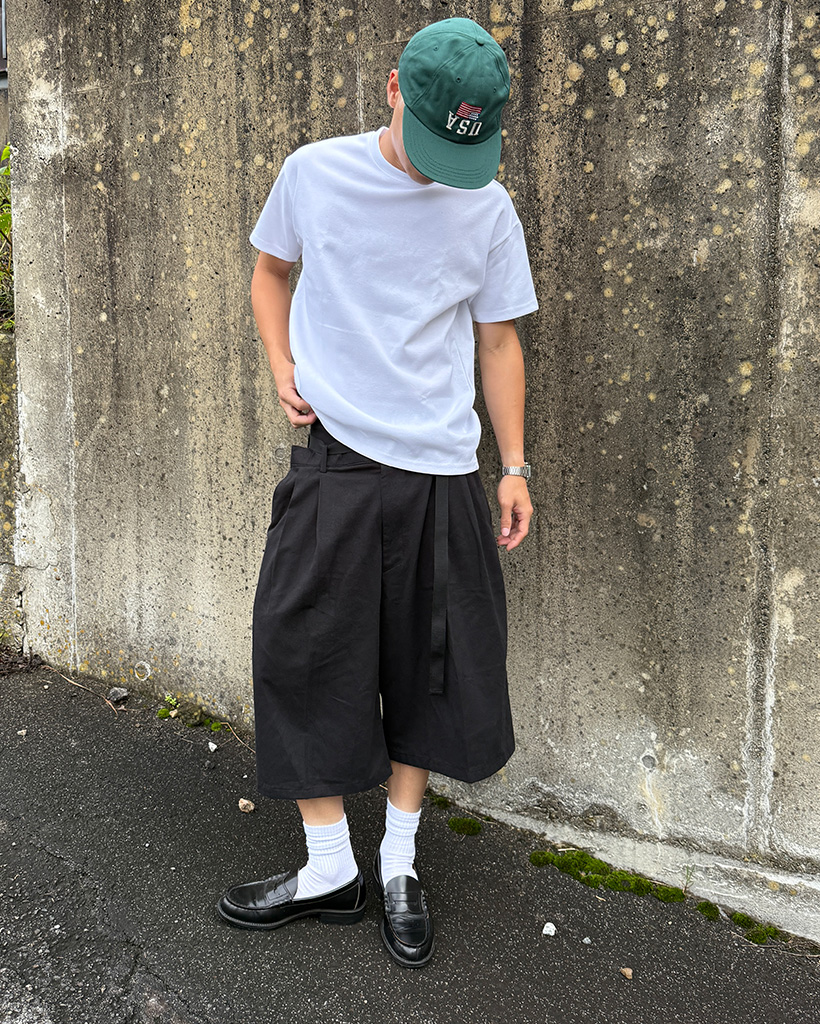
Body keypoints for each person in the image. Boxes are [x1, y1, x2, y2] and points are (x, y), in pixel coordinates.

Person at [217, 16, 538, 968]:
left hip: (442, 469)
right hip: (336, 460)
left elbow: (497, 339)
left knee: (428, 669)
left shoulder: (487, 205)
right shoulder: (314, 173)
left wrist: (513, 465)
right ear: (393, 88)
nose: (446, 172)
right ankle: (329, 867)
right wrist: (281, 363)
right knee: (297, 653)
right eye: (433, 143)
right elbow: (270, 273)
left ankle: (397, 862)